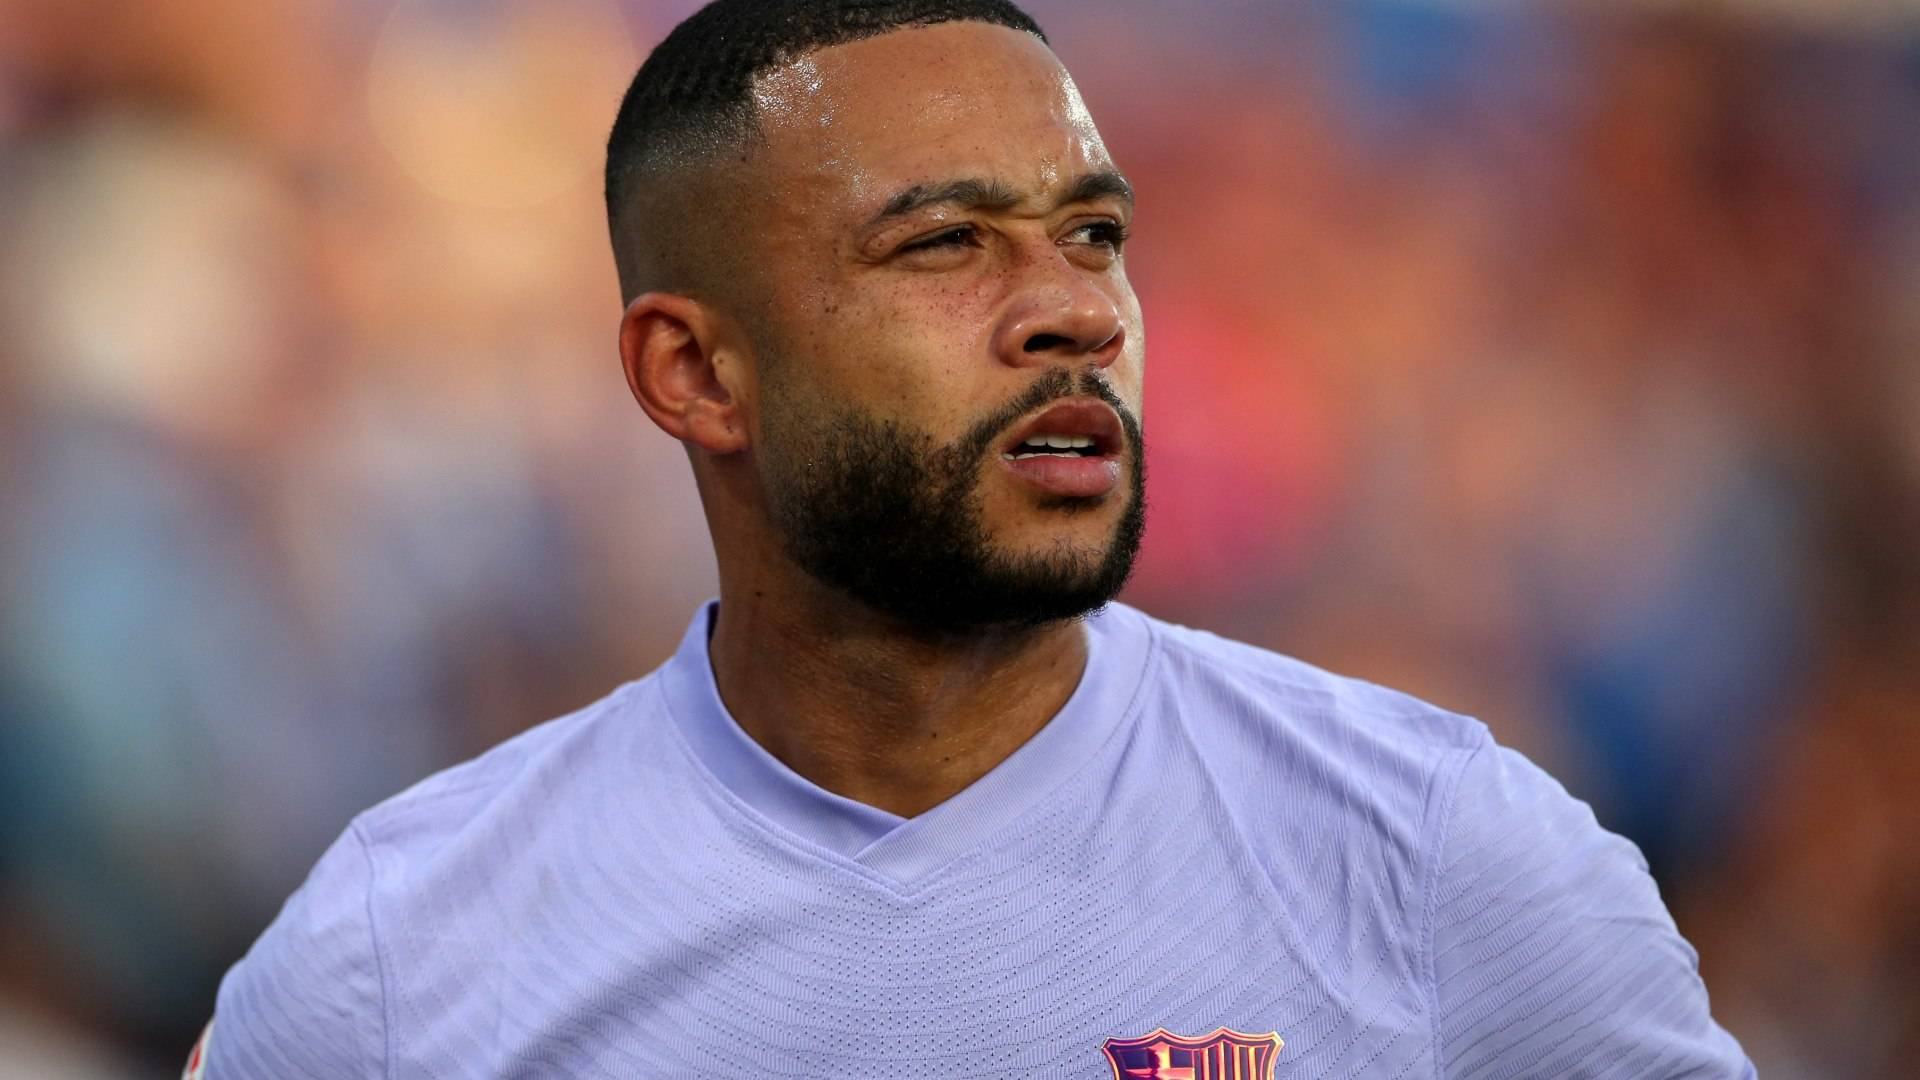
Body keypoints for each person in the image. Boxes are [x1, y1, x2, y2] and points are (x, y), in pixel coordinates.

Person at [194, 1, 1756, 1076]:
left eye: (1095, 235)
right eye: (945, 244)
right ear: (695, 373)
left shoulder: (1436, 859)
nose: (1077, 311)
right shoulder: (398, 961)